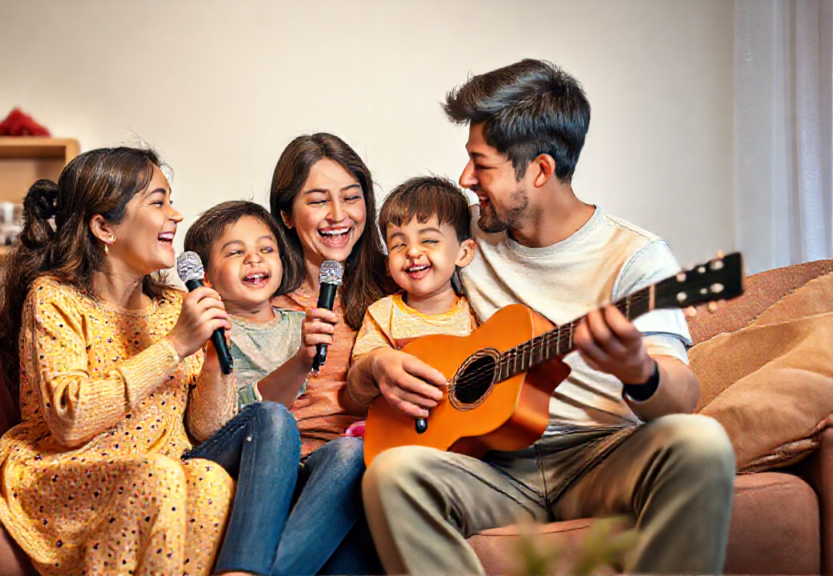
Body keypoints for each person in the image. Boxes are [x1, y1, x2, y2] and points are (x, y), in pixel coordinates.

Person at [351, 60, 737, 575]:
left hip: (600, 456)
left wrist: (637, 370)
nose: (466, 179)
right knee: (391, 472)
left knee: (702, 442)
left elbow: (682, 399)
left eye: (481, 165)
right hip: (494, 467)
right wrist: (376, 366)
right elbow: (385, 288)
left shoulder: (636, 257)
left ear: (539, 170)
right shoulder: (462, 237)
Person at [0, 146, 300, 576]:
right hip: (71, 470)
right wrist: (173, 347)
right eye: (158, 202)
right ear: (104, 227)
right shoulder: (55, 298)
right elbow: (70, 419)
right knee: (159, 477)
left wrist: (211, 358)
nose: (176, 214)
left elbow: (204, 430)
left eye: (170, 199)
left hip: (163, 465)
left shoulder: (173, 305)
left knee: (209, 483)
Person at [183, 200, 365, 575]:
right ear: (207, 278)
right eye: (236, 252)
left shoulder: (304, 323)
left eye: (266, 249)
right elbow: (221, 420)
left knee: (351, 452)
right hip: (232, 450)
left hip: (294, 460)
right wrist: (300, 360)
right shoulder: (202, 330)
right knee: (271, 417)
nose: (255, 259)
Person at [267, 133, 397, 574]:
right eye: (319, 201)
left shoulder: (398, 284)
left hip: (375, 466)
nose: (338, 216)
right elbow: (239, 410)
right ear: (286, 214)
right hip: (292, 470)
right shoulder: (259, 293)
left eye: (351, 198)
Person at [351, 176, 478, 366]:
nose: (412, 251)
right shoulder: (383, 314)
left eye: (429, 240)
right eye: (399, 244)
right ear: (388, 265)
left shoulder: (473, 314)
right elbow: (362, 370)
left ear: (463, 253)